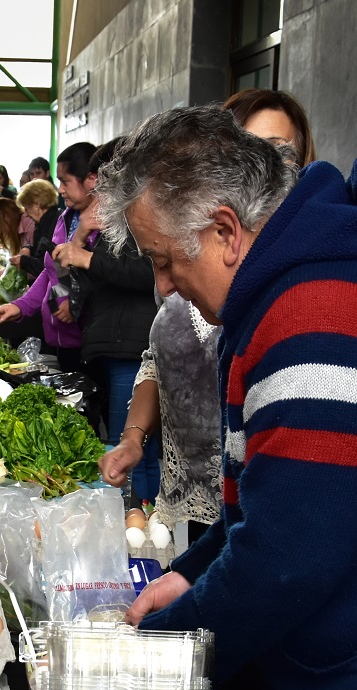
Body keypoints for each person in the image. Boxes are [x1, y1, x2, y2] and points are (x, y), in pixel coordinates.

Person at [98, 104, 357, 690]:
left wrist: (171, 635)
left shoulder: (312, 311)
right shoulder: (281, 294)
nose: (165, 285)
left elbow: (288, 555)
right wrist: (189, 574)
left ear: (225, 231)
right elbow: (268, 506)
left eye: (165, 259)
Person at [100, 88, 318, 540]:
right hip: (210, 505)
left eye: (279, 153)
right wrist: (133, 436)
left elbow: (291, 538)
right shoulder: (199, 270)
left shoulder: (301, 311)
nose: (162, 283)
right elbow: (156, 359)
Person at [55, 138, 159, 500]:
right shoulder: (116, 219)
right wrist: (82, 238)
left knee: (129, 450)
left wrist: (86, 258)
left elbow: (146, 275)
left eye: (106, 179)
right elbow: (75, 282)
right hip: (116, 344)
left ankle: (140, 529)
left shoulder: (145, 218)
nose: (100, 187)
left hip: (132, 346)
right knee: (131, 448)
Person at [0, 142, 97, 372]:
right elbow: (51, 273)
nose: (59, 190)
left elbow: (106, 275)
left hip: (90, 345)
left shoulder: (104, 225)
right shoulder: (66, 219)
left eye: (65, 181)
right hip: (60, 339)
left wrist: (77, 303)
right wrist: (20, 306)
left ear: (91, 179)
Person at [14, 178, 60, 279]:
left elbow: (49, 267)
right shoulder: (45, 222)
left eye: (26, 208)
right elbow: (40, 251)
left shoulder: (54, 224)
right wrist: (28, 249)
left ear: (36, 205)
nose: (26, 213)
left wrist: (24, 262)